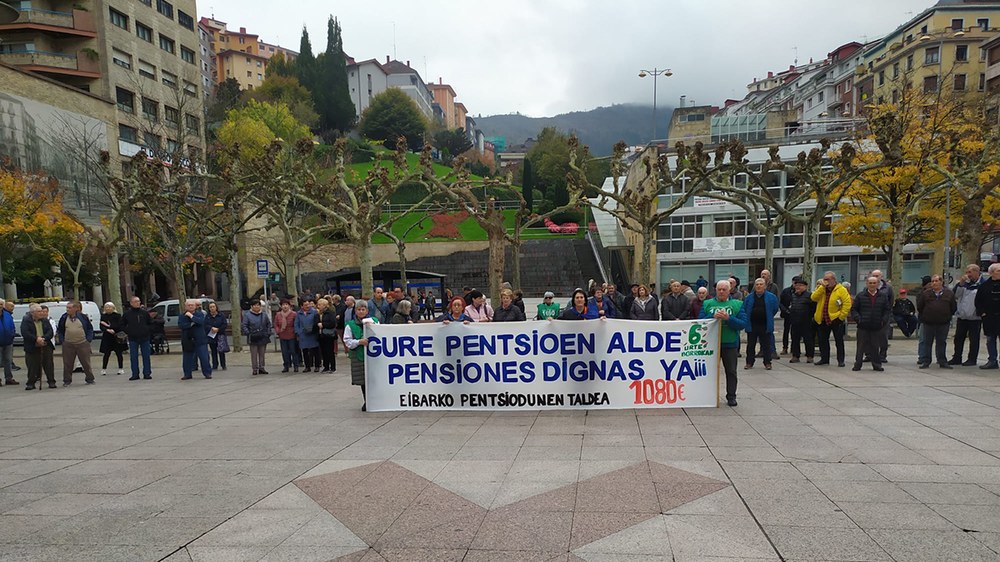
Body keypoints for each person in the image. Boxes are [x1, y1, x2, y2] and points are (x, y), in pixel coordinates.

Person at [700, 280, 746, 407]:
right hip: (710, 344)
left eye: (724, 289)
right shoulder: (707, 303)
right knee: (708, 372)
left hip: (729, 343)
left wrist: (728, 318)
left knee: (731, 371)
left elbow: (743, 324)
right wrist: (711, 316)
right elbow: (699, 323)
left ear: (729, 290)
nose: (721, 292)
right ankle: (707, 395)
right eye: (719, 289)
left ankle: (731, 396)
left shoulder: (737, 304)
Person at [852, 276, 892, 372]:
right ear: (867, 284)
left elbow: (887, 310)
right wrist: (858, 319)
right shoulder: (860, 296)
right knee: (861, 346)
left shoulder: (883, 296)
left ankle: (877, 365)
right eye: (870, 283)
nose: (872, 285)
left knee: (875, 346)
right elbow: (854, 309)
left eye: (874, 283)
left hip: (876, 326)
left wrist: (883, 320)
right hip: (863, 326)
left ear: (878, 284)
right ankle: (858, 364)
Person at [812, 271, 852, 367]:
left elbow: (847, 304)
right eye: (824, 279)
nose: (826, 281)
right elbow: (813, 298)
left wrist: (841, 317)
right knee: (823, 340)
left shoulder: (841, 290)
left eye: (828, 279)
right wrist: (821, 288)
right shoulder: (821, 289)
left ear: (834, 280)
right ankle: (824, 359)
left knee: (839, 341)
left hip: (835, 318)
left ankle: (840, 360)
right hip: (822, 319)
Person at [738, 279, 780, 370]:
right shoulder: (749, 297)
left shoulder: (771, 297)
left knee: (766, 345)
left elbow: (775, 308)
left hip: (765, 324)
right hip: (752, 324)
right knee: (750, 345)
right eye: (757, 284)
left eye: (761, 284)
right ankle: (749, 362)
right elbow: (744, 308)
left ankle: (767, 362)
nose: (759, 286)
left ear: (765, 286)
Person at [344, 300, 379, 411]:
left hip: (374, 356)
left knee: (374, 379)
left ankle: (376, 400)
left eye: (363, 309)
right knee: (363, 380)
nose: (361, 311)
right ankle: (366, 401)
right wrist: (359, 342)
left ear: (367, 310)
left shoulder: (374, 321)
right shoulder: (350, 325)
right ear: (355, 311)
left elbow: (380, 334)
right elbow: (347, 340)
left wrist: (372, 327)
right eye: (359, 309)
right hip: (359, 355)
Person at [917, 274, 957, 369]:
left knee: (941, 342)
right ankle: (926, 361)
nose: (934, 283)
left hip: (943, 323)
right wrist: (926, 316)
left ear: (941, 282)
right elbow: (920, 307)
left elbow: (953, 307)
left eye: (936, 281)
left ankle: (942, 361)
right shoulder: (926, 293)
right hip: (928, 323)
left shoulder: (949, 293)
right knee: (927, 342)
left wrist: (947, 316)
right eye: (933, 281)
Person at [950, 264, 985, 366]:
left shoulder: (982, 284)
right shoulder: (963, 284)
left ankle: (972, 359)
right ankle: (957, 357)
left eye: (969, 272)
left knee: (974, 339)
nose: (967, 275)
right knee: (958, 338)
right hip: (963, 316)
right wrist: (960, 284)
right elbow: (955, 295)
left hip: (975, 317)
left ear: (976, 272)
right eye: (966, 272)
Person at [56, 301, 95, 386]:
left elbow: (89, 328)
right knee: (67, 363)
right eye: (67, 308)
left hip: (82, 343)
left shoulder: (83, 317)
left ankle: (90, 379)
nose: (67, 309)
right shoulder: (63, 317)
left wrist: (88, 339)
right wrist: (62, 341)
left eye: (69, 308)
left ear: (75, 309)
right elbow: (60, 330)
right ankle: (67, 381)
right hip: (68, 344)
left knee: (86, 362)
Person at [21, 303, 55, 390]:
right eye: (39, 311)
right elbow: (25, 333)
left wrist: (43, 339)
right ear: (33, 312)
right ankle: (31, 383)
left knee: (48, 364)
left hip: (45, 344)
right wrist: (36, 339)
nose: (42, 313)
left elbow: (50, 332)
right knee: (32, 365)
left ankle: (51, 381)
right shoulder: (26, 320)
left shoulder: (45, 320)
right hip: (32, 345)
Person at [179, 299, 212, 380]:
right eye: (188, 305)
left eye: (192, 305)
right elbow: (182, 325)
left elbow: (200, 322)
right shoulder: (182, 316)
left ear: (195, 306)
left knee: (204, 358)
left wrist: (191, 316)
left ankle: (207, 373)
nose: (190, 307)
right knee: (187, 359)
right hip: (188, 340)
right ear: (185, 306)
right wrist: (192, 323)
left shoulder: (200, 314)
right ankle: (187, 374)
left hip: (200, 340)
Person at [975, 263, 1000, 369]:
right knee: (990, 339)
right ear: (991, 273)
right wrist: (982, 313)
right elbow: (978, 301)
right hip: (989, 318)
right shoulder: (984, 286)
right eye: (998, 271)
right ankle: (992, 360)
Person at [122, 296, 153, 378]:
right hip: (133, 338)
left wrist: (147, 330)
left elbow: (150, 323)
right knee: (133, 357)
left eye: (138, 301)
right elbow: (122, 325)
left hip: (145, 337)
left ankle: (147, 373)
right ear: (131, 303)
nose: (137, 303)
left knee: (146, 356)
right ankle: (135, 374)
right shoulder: (127, 314)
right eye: (135, 301)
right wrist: (128, 331)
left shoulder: (144, 313)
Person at [787, 277, 816, 363]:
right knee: (795, 339)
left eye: (800, 285)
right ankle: (795, 355)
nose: (798, 287)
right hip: (795, 321)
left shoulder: (810, 296)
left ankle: (810, 356)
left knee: (808, 339)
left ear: (805, 286)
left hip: (806, 321)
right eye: (796, 285)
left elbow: (814, 308)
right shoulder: (793, 296)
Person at [242, 299, 272, 376]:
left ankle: (262, 367)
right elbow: (244, 325)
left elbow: (268, 324)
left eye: (258, 305)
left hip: (262, 336)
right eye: (255, 305)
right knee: (254, 354)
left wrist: (268, 333)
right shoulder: (247, 315)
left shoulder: (264, 315)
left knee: (262, 353)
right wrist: (248, 333)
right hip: (253, 337)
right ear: (251, 306)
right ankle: (254, 369)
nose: (257, 307)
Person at [98, 302, 126, 376]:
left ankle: (121, 368)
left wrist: (108, 326)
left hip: (116, 336)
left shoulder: (117, 315)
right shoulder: (103, 316)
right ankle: (104, 369)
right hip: (107, 336)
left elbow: (119, 325)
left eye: (109, 307)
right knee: (106, 353)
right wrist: (107, 329)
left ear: (113, 308)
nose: (108, 308)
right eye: (106, 307)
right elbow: (101, 326)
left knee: (118, 353)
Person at [295, 299, 320, 373]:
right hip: (303, 334)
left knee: (315, 350)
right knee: (305, 351)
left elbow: (316, 322)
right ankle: (307, 366)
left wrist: (314, 330)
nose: (307, 306)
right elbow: (296, 324)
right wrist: (298, 332)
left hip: (312, 333)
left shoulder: (314, 312)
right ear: (301, 306)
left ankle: (317, 366)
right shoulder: (299, 314)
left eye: (308, 304)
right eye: (305, 305)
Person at [274, 299, 300, 373]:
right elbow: (275, 324)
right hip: (282, 335)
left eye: (286, 305)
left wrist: (296, 332)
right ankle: (286, 365)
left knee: (293, 351)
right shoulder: (278, 315)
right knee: (284, 352)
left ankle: (296, 365)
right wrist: (278, 331)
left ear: (289, 306)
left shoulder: (294, 314)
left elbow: (296, 324)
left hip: (292, 335)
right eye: (283, 305)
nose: (285, 306)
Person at [314, 298, 337, 373]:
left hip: (329, 335)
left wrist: (323, 325)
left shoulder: (330, 313)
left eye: (320, 304)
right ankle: (326, 366)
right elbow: (315, 323)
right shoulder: (318, 314)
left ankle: (332, 367)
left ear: (324, 305)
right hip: (321, 335)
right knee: (323, 351)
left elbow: (333, 323)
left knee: (330, 351)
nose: (318, 306)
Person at [204, 302, 228, 372]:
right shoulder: (207, 316)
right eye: (210, 307)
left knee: (221, 351)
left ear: (216, 307)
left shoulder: (221, 315)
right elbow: (205, 325)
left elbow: (224, 324)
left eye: (213, 306)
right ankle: (215, 365)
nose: (212, 308)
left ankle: (223, 365)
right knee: (213, 351)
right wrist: (211, 328)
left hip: (220, 335)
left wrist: (218, 329)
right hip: (212, 335)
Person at [0, 298, 17, 385]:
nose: (0, 306)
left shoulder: (7, 315)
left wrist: (12, 334)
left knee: (8, 361)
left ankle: (9, 378)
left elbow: (12, 326)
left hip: (8, 342)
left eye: (1, 305)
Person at [779, 280, 795, 355]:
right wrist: (785, 310)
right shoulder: (786, 291)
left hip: (796, 314)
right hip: (787, 314)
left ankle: (794, 348)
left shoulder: (800, 292)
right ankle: (785, 347)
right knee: (786, 331)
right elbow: (780, 302)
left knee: (794, 332)